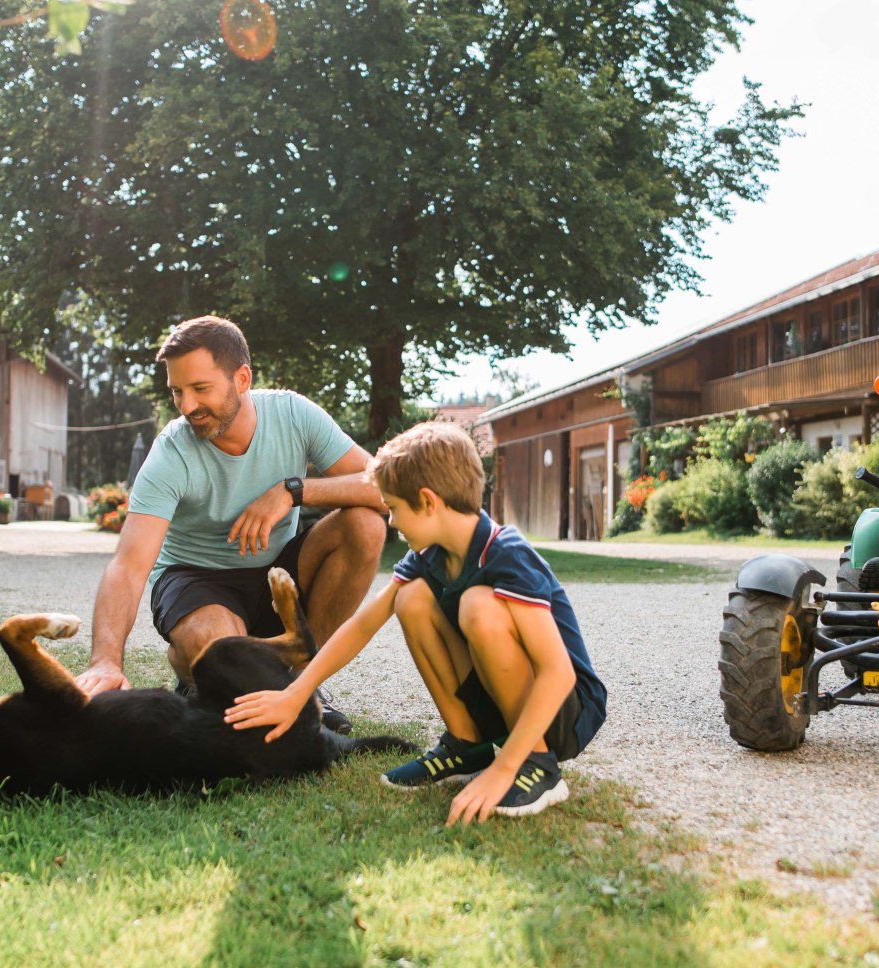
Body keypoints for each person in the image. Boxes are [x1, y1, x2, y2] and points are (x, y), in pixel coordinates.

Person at [225, 421, 606, 824]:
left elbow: (559, 673)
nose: (391, 522)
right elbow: (361, 625)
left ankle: (537, 764)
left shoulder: (506, 553)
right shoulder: (431, 555)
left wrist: (505, 768)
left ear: (427, 502)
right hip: (505, 701)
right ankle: (468, 746)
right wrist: (296, 692)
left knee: (479, 605)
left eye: (394, 509)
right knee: (411, 597)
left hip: (565, 713)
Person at [76, 316, 387, 734]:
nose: (187, 407)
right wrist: (106, 660)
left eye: (200, 389)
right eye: (177, 392)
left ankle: (304, 684)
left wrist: (292, 490)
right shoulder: (171, 453)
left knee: (365, 526)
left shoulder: (293, 414)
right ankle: (195, 666)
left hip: (278, 572)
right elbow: (128, 567)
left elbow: (384, 486)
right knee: (224, 651)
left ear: (241, 379)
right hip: (197, 580)